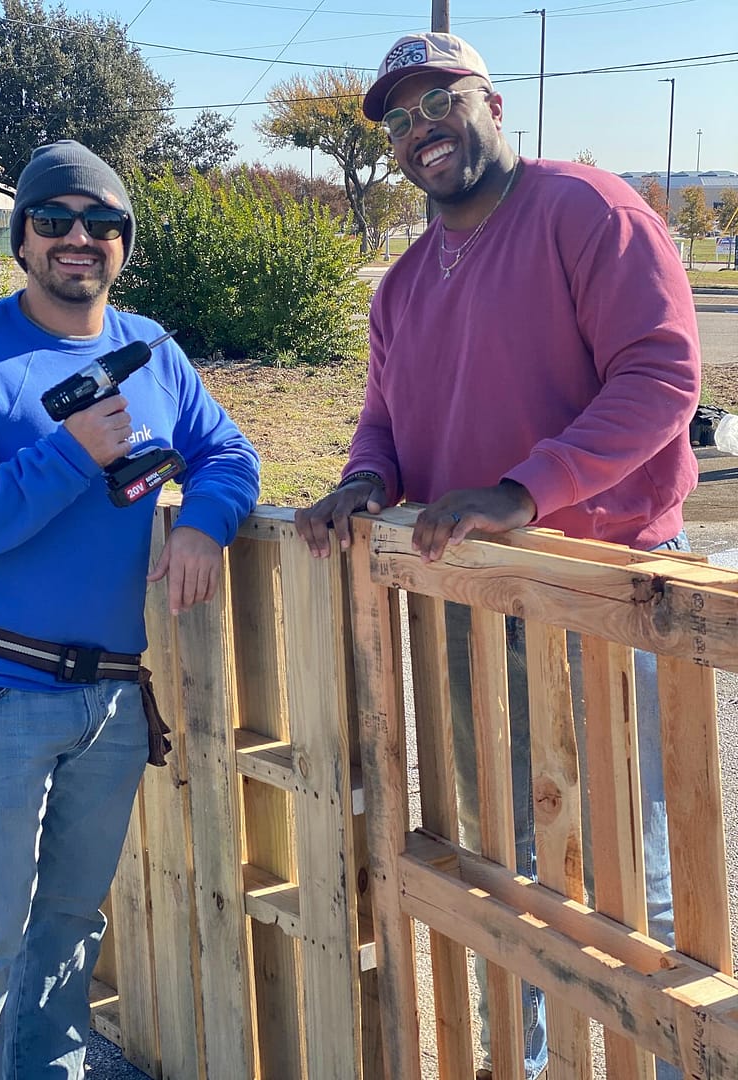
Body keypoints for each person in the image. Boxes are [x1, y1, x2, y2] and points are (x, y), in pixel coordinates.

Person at [294, 32, 699, 1080]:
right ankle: (527, 1061)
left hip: (599, 590)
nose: (420, 129)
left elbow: (661, 379)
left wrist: (526, 490)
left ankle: (640, 1063)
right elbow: (382, 416)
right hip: (468, 599)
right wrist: (367, 480)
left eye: (442, 102)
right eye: (398, 118)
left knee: (620, 862)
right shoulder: (403, 282)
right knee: (499, 859)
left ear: (493, 104)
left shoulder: (585, 209)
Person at [0, 139, 260, 1080]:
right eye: (54, 220)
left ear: (125, 242)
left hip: (110, 701)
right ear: (22, 240)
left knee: (68, 926)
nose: (78, 238)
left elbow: (231, 455)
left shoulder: (155, 351)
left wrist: (205, 527)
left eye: (101, 222)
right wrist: (67, 455)